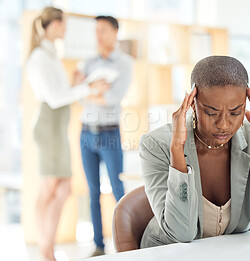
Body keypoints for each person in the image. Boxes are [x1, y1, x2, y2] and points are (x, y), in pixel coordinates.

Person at [139, 56, 250, 248]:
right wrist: (177, 151)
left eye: (235, 112)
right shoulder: (156, 145)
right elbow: (181, 233)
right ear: (192, 104)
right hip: (169, 253)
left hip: (228, 254)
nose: (224, 125)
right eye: (212, 112)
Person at [26, 7, 108, 261]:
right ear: (54, 25)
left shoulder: (51, 54)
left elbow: (60, 92)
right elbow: (54, 97)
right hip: (49, 127)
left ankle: (47, 248)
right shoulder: (40, 56)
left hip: (58, 127)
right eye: (64, 24)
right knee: (49, 188)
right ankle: (46, 251)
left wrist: (75, 84)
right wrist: (86, 88)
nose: (66, 29)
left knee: (62, 190)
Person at [77, 15, 133, 256]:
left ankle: (127, 242)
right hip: (86, 133)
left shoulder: (125, 64)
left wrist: (88, 90)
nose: (98, 35)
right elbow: (77, 95)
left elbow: (112, 98)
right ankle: (98, 245)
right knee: (93, 191)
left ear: (115, 32)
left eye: (103, 30)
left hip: (110, 133)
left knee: (117, 189)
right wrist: (91, 90)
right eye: (96, 31)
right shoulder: (88, 63)